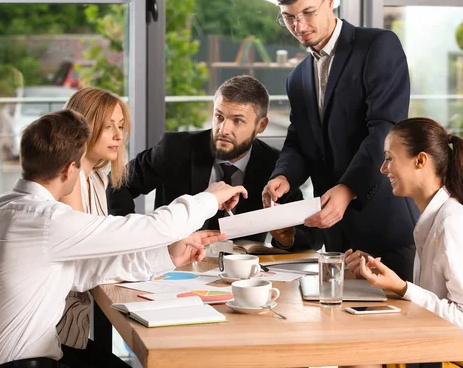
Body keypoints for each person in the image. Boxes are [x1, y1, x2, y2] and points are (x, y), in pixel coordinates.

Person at [0, 109, 247, 368]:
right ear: (69, 170)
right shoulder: (47, 221)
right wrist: (212, 196)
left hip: (16, 363)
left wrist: (169, 256)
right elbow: (154, 227)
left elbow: (81, 273)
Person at [262, 0, 418, 281]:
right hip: (335, 241)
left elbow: (385, 130)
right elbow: (298, 142)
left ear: (330, 0)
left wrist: (348, 190)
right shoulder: (297, 78)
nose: (300, 26)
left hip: (385, 229)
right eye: (289, 18)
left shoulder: (378, 46)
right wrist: (283, 176)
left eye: (308, 13)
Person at [345, 117, 463, 368]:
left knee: (363, 354)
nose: (383, 168)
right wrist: (385, 281)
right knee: (361, 347)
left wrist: (400, 287)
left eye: (389, 158)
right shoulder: (434, 219)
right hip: (454, 351)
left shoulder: (452, 224)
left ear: (420, 160)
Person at [108, 75, 323, 251]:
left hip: (241, 278)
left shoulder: (274, 166)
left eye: (237, 121)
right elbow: (117, 182)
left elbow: (313, 235)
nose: (223, 129)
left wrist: (287, 239)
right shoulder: (175, 149)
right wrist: (134, 238)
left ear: (261, 126)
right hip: (173, 269)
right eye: (219, 117)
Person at [55, 88, 133, 368]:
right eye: (108, 126)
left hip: (73, 332)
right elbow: (85, 258)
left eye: (121, 126)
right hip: (54, 343)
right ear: (82, 128)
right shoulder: (68, 181)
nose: (118, 135)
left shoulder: (97, 179)